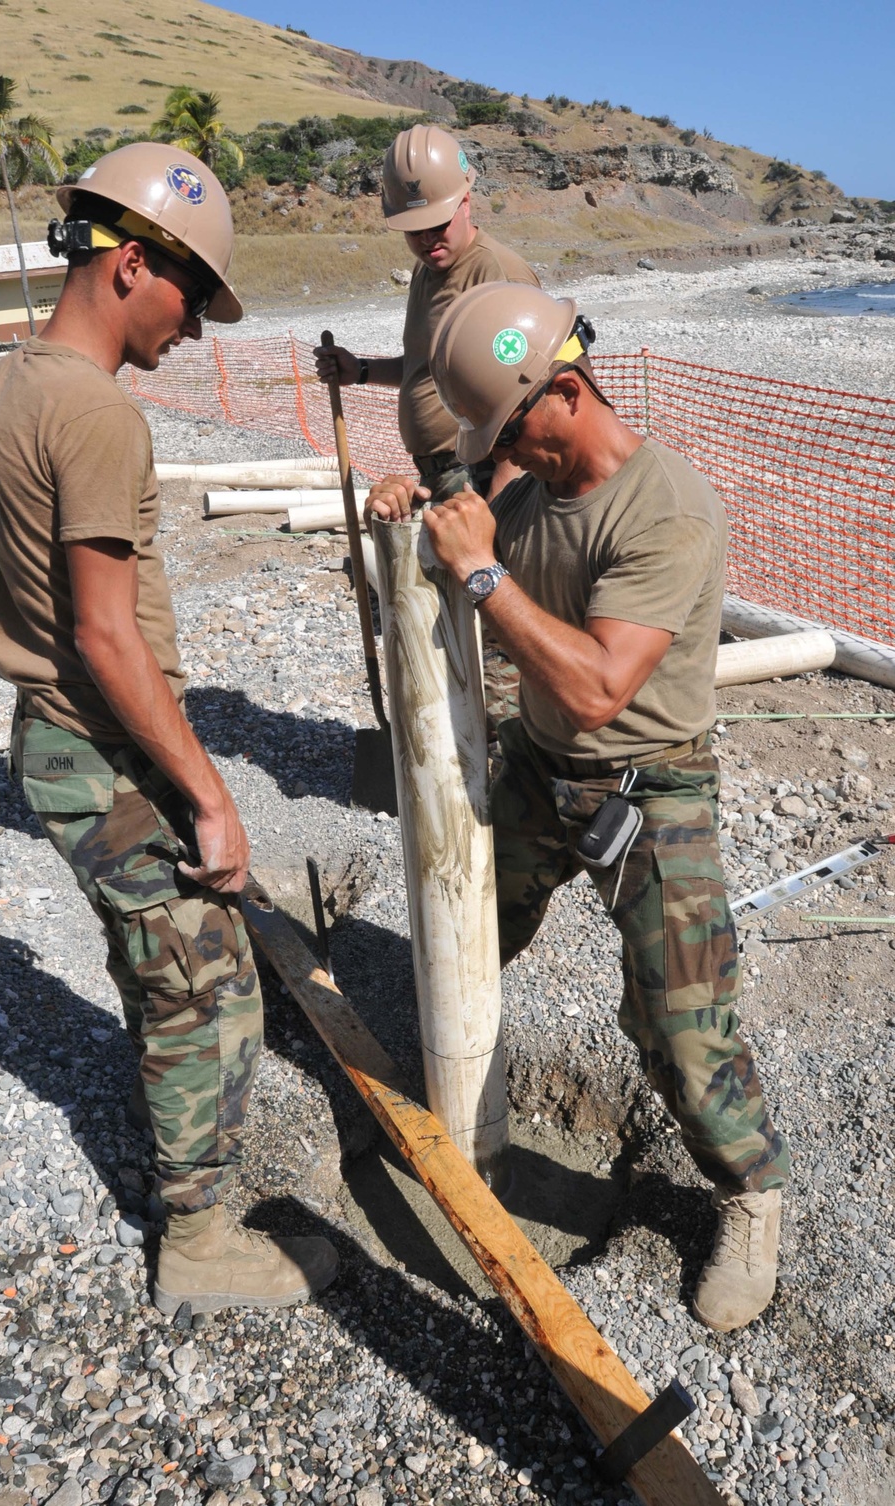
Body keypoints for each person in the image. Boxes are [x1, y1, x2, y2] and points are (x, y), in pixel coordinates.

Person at [364, 282, 790, 1333]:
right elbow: (462, 549)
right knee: (467, 927)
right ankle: (444, 1071)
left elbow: (600, 685)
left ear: (565, 390)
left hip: (651, 787)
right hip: (539, 772)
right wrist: (414, 518)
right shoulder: (527, 498)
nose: (505, 456)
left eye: (511, 431)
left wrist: (477, 580)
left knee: (682, 1027)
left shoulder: (666, 508)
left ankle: (748, 1197)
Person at [0, 142, 337, 1317]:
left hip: (53, 735)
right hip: (101, 746)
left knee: (161, 966)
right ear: (130, 265)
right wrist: (211, 797)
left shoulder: (7, 386)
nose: (196, 328)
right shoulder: (96, 415)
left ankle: (178, 1167)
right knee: (206, 987)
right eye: (190, 298)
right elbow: (108, 636)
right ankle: (196, 1237)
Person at [313, 123, 541, 506]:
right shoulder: (427, 268)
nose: (426, 240)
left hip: (482, 476)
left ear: (466, 201)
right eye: (413, 230)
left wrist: (496, 509)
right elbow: (425, 366)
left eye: (437, 224)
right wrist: (362, 370)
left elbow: (533, 401)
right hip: (441, 474)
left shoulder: (498, 275)